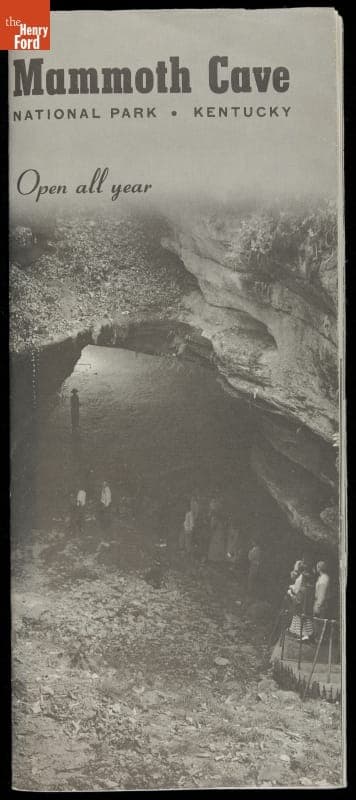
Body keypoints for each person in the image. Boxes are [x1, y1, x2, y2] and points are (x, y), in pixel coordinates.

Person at [288, 568, 315, 641]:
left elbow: (297, 601)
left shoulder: (302, 589)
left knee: (300, 623)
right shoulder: (311, 588)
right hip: (308, 609)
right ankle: (307, 635)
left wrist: (291, 594)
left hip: (300, 610)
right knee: (307, 623)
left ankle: (303, 635)